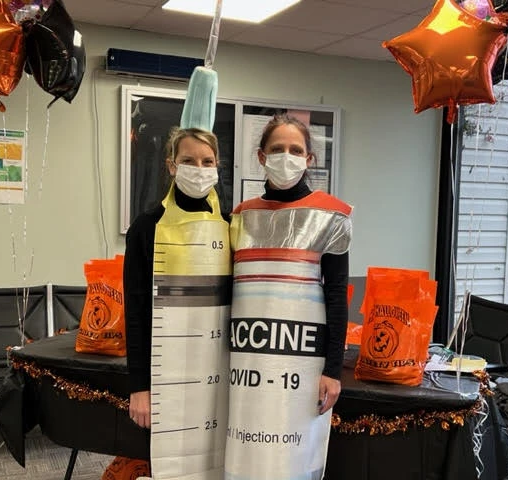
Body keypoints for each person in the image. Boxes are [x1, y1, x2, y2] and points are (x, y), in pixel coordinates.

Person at [225, 114, 352, 480]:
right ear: (261, 156)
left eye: (296, 150)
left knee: (292, 459)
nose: (287, 157)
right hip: (247, 365)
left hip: (302, 368)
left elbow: (336, 295)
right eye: (278, 148)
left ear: (309, 159)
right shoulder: (240, 217)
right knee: (246, 453)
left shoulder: (332, 215)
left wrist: (332, 371)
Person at [124, 127, 231, 480]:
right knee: (170, 466)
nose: (198, 169)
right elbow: (136, 313)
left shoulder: (230, 226)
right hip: (165, 375)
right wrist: (139, 388)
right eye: (188, 160)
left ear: (217, 166)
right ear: (171, 165)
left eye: (207, 161)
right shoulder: (146, 227)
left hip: (217, 374)